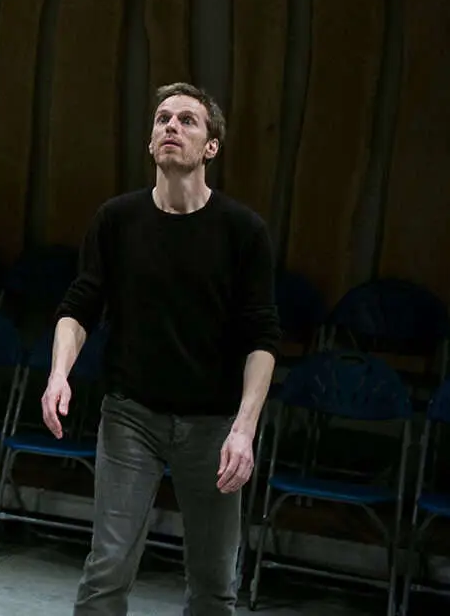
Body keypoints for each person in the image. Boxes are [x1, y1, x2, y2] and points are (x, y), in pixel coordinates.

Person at [41, 82, 280, 616]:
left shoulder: (243, 231)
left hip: (213, 424)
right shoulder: (117, 220)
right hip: (132, 415)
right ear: (151, 143)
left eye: (187, 121)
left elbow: (262, 339)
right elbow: (78, 308)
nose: (171, 126)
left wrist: (244, 429)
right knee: (107, 569)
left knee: (215, 583)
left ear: (210, 147)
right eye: (162, 119)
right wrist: (60, 374)